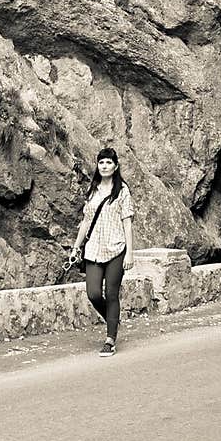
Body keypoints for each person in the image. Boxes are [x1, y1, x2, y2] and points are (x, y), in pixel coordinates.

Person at [68, 146, 134, 357]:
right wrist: (75, 247)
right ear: (98, 166)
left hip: (116, 248)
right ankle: (113, 321)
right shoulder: (93, 189)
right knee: (94, 293)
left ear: (115, 166)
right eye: (101, 162)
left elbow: (128, 223)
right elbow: (86, 222)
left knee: (112, 294)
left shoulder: (122, 191)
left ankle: (110, 339)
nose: (104, 166)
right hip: (94, 249)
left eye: (108, 162)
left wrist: (130, 253)